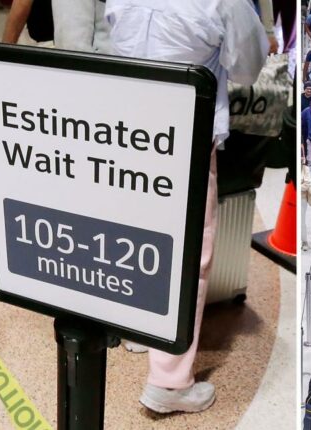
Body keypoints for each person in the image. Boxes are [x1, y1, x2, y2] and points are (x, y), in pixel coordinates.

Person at [103, 0, 266, 413]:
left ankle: (141, 329)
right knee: (191, 253)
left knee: (134, 229)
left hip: (124, 124)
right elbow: (248, 67)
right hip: (185, 131)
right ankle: (169, 381)